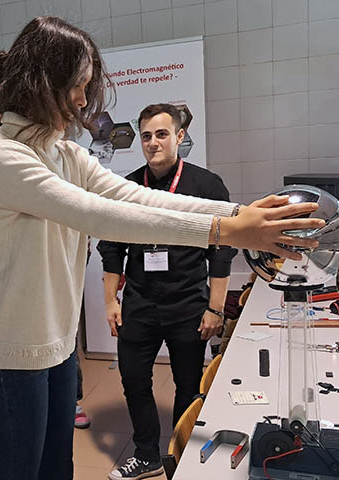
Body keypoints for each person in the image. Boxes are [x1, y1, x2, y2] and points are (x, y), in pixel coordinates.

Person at [0, 16, 324, 480]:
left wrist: (238, 214)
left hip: (53, 348)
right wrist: (227, 231)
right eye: (76, 85)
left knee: (57, 468)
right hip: (7, 355)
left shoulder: (63, 152)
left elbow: (133, 196)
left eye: (86, 86)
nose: (80, 99)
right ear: (43, 79)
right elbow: (100, 215)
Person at [98, 103, 237, 479]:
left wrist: (216, 309)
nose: (153, 143)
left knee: (188, 384)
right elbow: (111, 248)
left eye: (161, 134)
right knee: (134, 380)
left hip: (188, 305)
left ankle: (178, 454)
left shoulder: (206, 185)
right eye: (146, 136)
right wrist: (111, 300)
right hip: (139, 304)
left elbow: (221, 251)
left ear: (179, 136)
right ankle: (146, 455)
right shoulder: (126, 187)